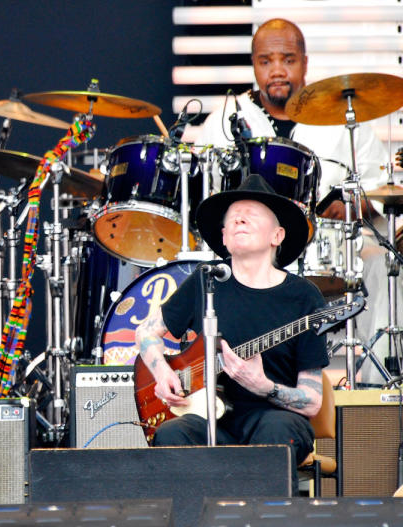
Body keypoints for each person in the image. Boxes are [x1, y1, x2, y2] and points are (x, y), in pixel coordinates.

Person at [196, 18, 395, 386]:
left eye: (287, 59)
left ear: (305, 62)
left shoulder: (341, 116)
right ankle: (216, 381)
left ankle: (373, 384)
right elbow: (203, 194)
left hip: (328, 251)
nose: (276, 71)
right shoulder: (225, 120)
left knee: (383, 262)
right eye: (265, 60)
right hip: (245, 256)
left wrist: (356, 204)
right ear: (254, 64)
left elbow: (380, 188)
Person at [135, 174, 328, 495]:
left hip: (274, 417)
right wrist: (162, 372)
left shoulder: (304, 297)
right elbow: (146, 332)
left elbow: (312, 403)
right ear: (223, 238)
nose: (239, 217)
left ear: (277, 235)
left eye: (252, 213)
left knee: (276, 432)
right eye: (233, 216)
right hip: (209, 417)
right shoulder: (206, 282)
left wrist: (263, 386)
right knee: (171, 434)